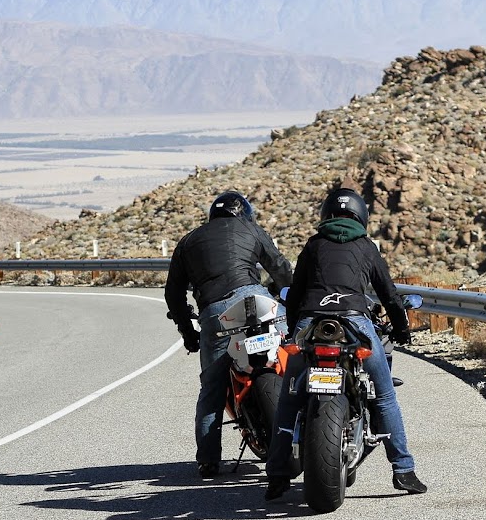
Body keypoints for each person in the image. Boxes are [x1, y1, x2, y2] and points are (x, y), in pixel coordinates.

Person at [265, 187, 426, 500]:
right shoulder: (366, 246)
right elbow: (389, 295)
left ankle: (277, 475)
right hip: (354, 320)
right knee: (384, 395)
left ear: (326, 215)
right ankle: (403, 469)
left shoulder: (313, 245)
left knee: (289, 398)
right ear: (361, 216)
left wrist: (295, 328)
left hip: (311, 322)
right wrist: (401, 328)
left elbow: (295, 295)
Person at [165, 191, 293, 479]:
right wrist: (293, 297)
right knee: (293, 350)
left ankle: (208, 461)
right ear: (245, 213)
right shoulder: (251, 229)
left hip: (217, 313)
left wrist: (188, 333)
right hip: (258, 300)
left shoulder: (187, 241)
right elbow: (281, 268)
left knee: (212, 386)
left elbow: (173, 294)